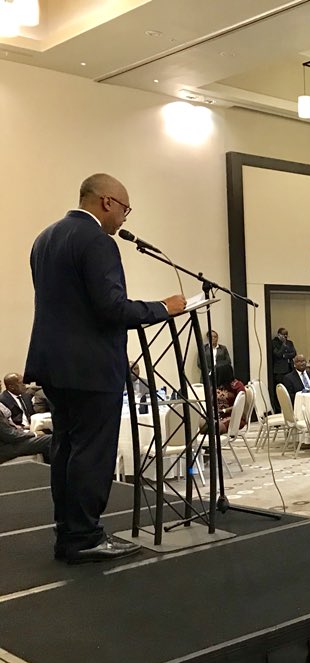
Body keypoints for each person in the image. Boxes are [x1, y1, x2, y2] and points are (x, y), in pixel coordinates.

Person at [25, 173, 185, 564]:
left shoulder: (44, 239)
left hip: (53, 365)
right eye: (125, 209)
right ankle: (85, 537)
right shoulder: (97, 240)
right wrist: (162, 309)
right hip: (91, 368)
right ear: (107, 202)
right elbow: (110, 308)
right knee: (92, 454)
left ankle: (68, 533)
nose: (125, 218)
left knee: (66, 448)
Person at [0, 400, 51, 465]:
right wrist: (34, 434)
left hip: (6, 443)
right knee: (49, 439)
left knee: (45, 438)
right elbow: (11, 436)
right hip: (5, 449)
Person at [215, 365, 247, 434]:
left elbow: (240, 406)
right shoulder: (216, 385)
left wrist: (224, 410)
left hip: (234, 417)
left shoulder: (237, 386)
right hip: (217, 416)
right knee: (202, 424)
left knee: (217, 427)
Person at [271, 327, 296, 410]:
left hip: (290, 369)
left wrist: (284, 356)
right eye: (283, 334)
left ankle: (290, 407)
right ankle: (279, 409)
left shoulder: (290, 343)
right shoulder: (274, 343)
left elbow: (293, 353)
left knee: (289, 389)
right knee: (280, 390)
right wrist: (283, 345)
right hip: (279, 371)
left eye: (286, 334)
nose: (285, 336)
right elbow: (277, 354)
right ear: (279, 335)